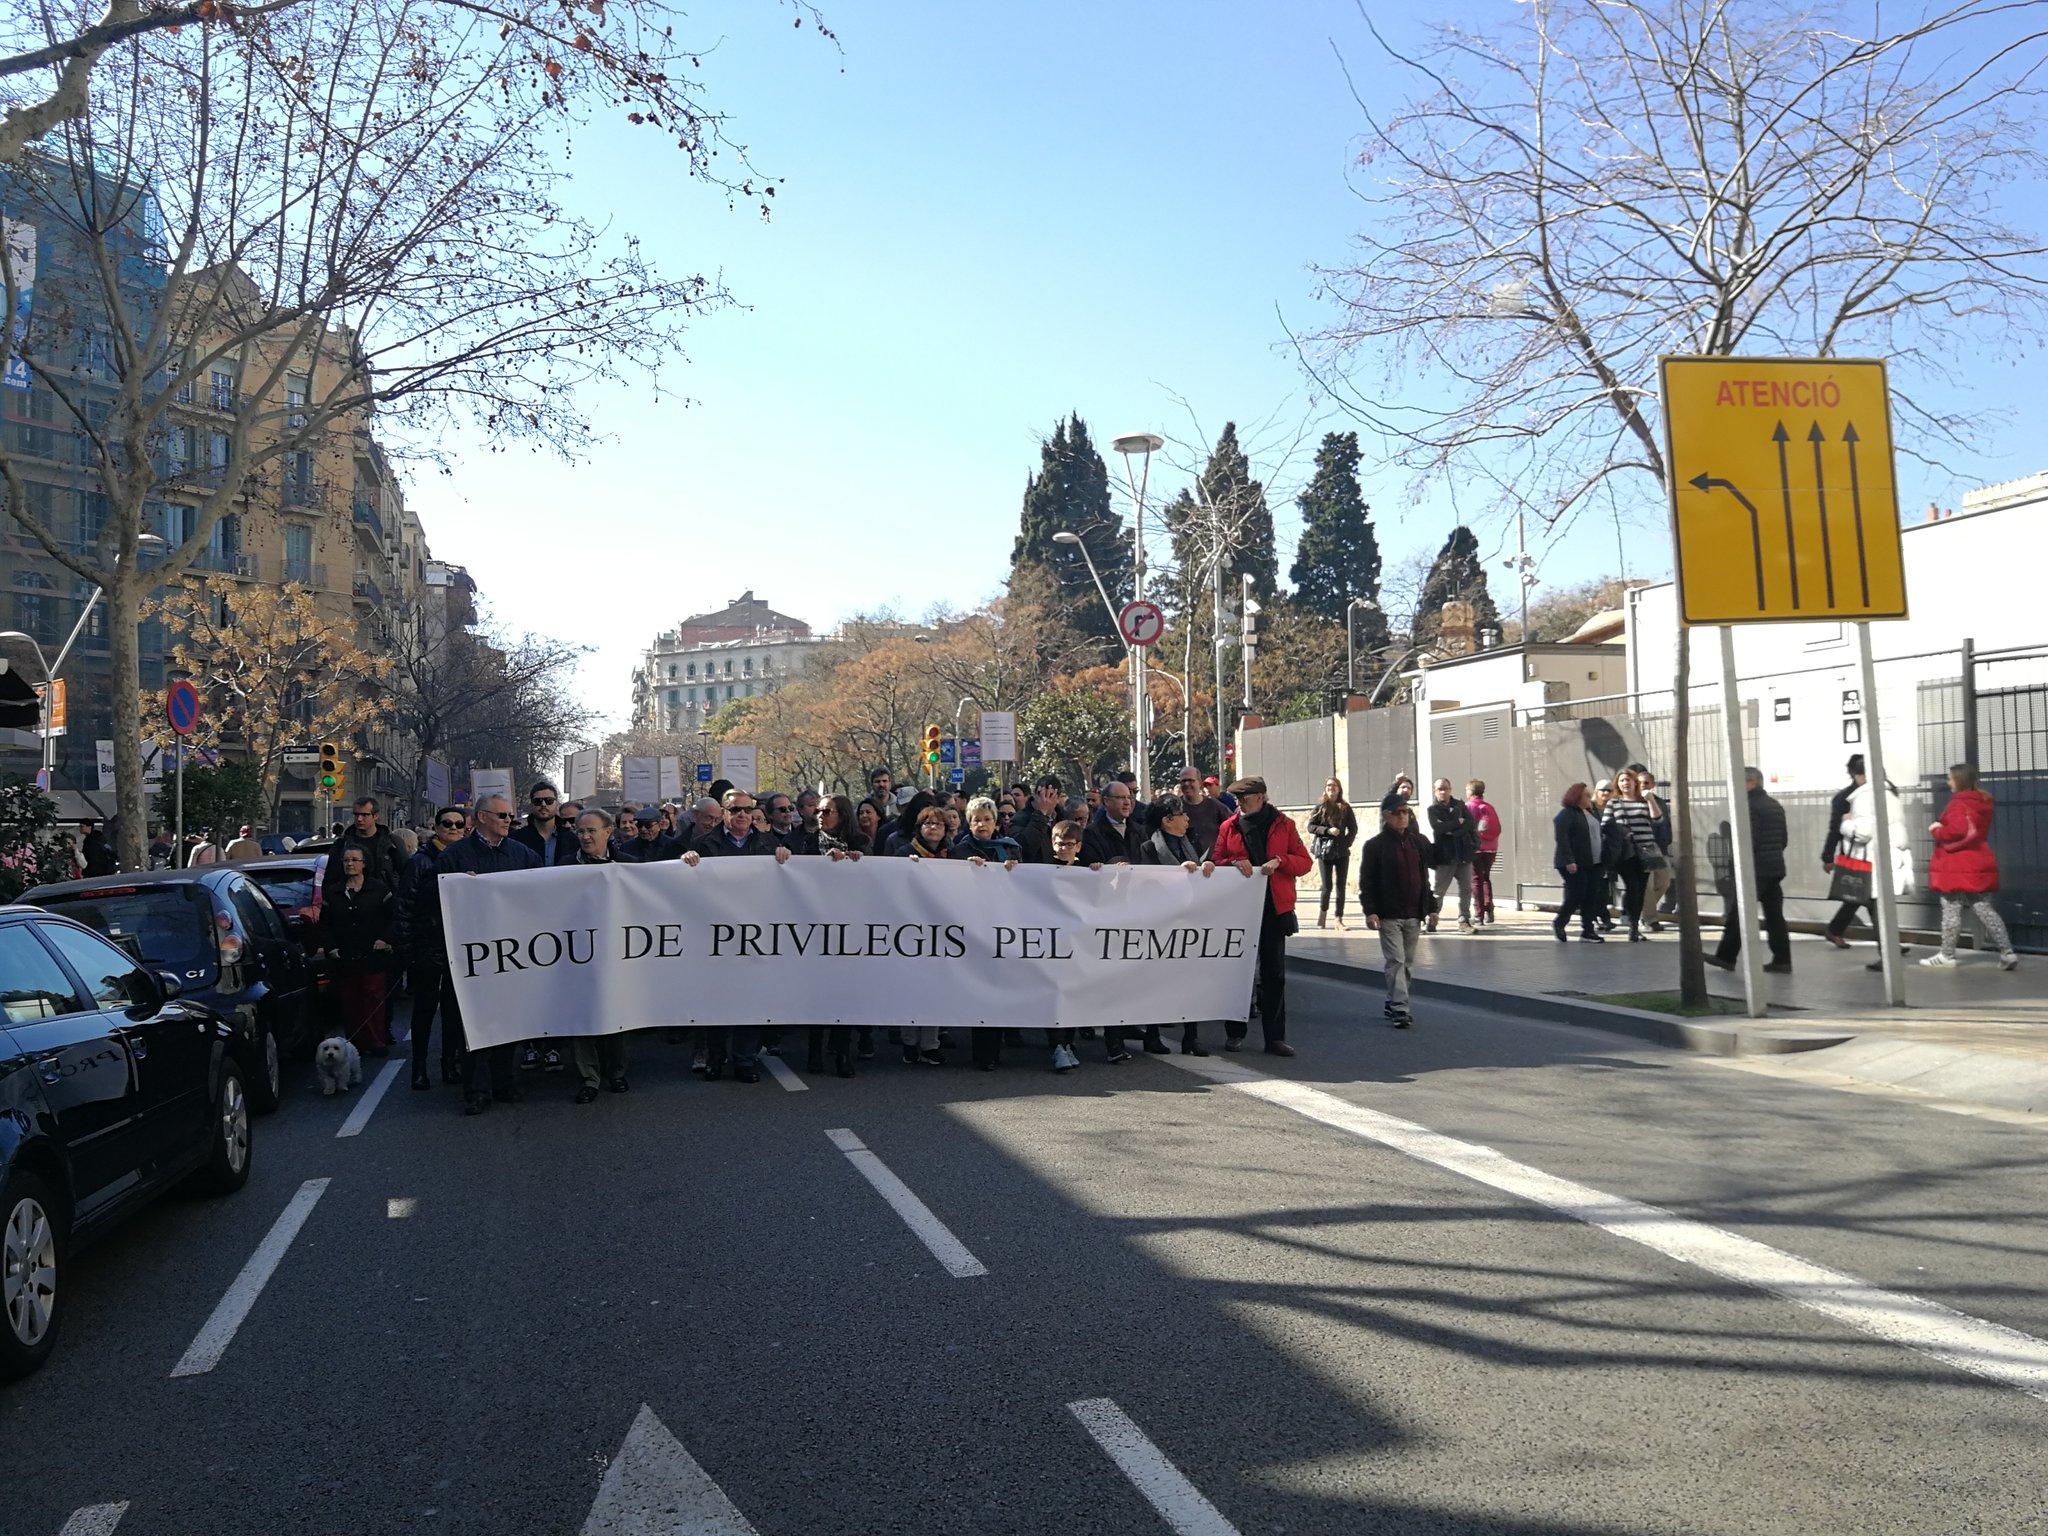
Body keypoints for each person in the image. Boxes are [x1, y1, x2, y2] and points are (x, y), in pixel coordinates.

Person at [418, 794, 542, 1116]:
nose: (508, 820)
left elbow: (540, 897)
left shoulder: (523, 855)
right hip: (472, 956)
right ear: (482, 817)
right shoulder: (455, 857)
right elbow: (430, 898)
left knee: (510, 1020)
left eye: (510, 815)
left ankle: (505, 1081)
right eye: (502, 815)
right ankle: (476, 1089)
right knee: (474, 1023)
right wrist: (458, 887)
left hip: (514, 953)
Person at [693, 789, 790, 1081]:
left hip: (756, 932)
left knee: (752, 997)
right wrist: (687, 862)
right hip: (716, 934)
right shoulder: (703, 845)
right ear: (724, 813)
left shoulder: (769, 844)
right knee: (718, 998)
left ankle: (745, 1060)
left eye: (747, 810)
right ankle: (715, 1057)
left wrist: (785, 858)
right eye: (736, 810)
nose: (743, 815)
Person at [1210, 776, 1311, 1057]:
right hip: (1239, 911)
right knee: (1237, 972)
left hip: (1274, 909)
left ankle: (1275, 1038)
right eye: (1237, 799)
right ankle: (1234, 1033)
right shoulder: (1228, 827)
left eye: (1246, 798)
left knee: (1274, 975)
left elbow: (1305, 862)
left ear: (1261, 797)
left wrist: (1281, 862)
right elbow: (1215, 860)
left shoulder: (1284, 825)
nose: (1240, 803)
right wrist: (1232, 862)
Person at [398, 806, 468, 1089]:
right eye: (447, 823)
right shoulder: (420, 862)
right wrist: (407, 950)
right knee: (425, 1010)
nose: (452, 828)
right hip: (427, 945)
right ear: (437, 827)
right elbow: (404, 906)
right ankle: (419, 1068)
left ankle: (449, 1064)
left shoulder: (466, 858)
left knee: (454, 1010)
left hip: (459, 948)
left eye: (458, 824)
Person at [1137, 795, 1212, 1057]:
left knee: (1191, 980)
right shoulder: (1148, 847)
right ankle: (1153, 1034)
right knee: (1158, 981)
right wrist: (1177, 874)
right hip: (1160, 923)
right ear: (1167, 820)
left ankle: (1191, 1036)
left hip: (1189, 921)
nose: (1187, 818)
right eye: (1182, 814)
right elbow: (1148, 881)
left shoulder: (1191, 842)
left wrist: (1208, 868)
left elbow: (1205, 871)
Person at [1923, 763, 2017, 970]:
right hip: (1977, 860)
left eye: (1950, 778)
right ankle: (2007, 952)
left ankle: (1947, 955)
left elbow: (1956, 830)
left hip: (1955, 864)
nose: (1948, 782)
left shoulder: (1958, 804)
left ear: (1959, 780)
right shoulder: (1982, 802)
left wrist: (1937, 830)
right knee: (1984, 909)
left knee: (1951, 909)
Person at [567, 810, 631, 1103]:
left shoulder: (628, 866)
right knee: (582, 1015)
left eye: (591, 831)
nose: (585, 836)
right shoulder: (564, 867)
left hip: (617, 951)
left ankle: (616, 1073)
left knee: (616, 1012)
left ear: (608, 832)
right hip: (578, 952)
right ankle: (588, 1078)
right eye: (580, 831)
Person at [1708, 768, 1791, 975]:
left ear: (1751, 782)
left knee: (1738, 914)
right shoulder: (1774, 805)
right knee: (1775, 917)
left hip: (1755, 869)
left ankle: (1725, 957)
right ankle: (1782, 959)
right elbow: (1783, 840)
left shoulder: (1748, 806)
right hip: (1774, 868)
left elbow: (1748, 841)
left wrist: (1738, 862)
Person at [1358, 795, 1432, 1027]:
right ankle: (1401, 1008)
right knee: (1396, 960)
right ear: (1387, 815)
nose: (1403, 816)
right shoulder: (1375, 846)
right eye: (1398, 812)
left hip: (1413, 913)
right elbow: (1367, 881)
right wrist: (1370, 911)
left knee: (1407, 962)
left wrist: (1431, 907)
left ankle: (1393, 1001)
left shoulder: (1417, 842)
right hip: (1389, 914)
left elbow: (1424, 878)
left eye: (1406, 812)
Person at [317, 845, 398, 1056]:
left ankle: (376, 1041)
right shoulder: (333, 892)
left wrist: (385, 939)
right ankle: (355, 1044)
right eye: (346, 860)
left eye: (354, 860)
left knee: (373, 998)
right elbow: (324, 925)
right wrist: (331, 947)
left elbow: (394, 918)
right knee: (350, 1001)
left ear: (364, 864)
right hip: (345, 957)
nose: (350, 864)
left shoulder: (378, 889)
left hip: (373, 956)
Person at [893, 805, 956, 1065]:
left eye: (938, 825)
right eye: (928, 824)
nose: (933, 828)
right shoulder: (904, 853)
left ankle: (930, 1044)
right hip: (909, 928)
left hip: (942, 930)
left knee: (936, 990)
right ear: (919, 828)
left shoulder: (952, 855)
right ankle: (909, 1042)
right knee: (910, 988)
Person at [1830, 772, 1913, 967]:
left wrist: (1846, 823)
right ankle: (1889, 950)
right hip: (1891, 858)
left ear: (1861, 776)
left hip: (1873, 861)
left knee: (1877, 908)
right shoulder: (1891, 794)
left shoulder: (1866, 796)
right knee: (1879, 907)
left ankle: (1887, 955)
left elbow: (1863, 833)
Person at [1601, 768, 1664, 942]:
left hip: (1646, 852)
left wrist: (1650, 799)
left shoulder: (1644, 801)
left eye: (1628, 780)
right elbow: (1605, 826)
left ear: (1635, 782)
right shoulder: (1614, 803)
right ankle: (1631, 923)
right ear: (1618, 784)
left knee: (1641, 890)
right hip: (1625, 852)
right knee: (1632, 887)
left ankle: (1634, 926)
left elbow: (1658, 820)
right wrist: (1620, 832)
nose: (1625, 783)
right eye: (1622, 781)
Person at [1822, 754, 1872, 947]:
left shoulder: (1845, 796)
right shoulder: (1847, 798)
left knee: (1860, 897)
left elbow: (1833, 830)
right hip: (1856, 853)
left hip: (1861, 852)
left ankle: (1834, 930)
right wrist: (1828, 857)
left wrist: (1827, 856)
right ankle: (1889, 943)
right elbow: (1836, 829)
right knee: (1867, 896)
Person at [1423, 778, 1479, 934]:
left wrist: (1453, 830)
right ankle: (1432, 919)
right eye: (1439, 789)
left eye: (1445, 788)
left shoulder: (1460, 805)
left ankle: (1464, 920)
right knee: (1439, 891)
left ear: (1450, 789)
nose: (1443, 792)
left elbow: (1470, 823)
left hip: (1463, 855)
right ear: (1435, 791)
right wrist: (1457, 823)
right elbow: (1438, 828)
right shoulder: (1432, 809)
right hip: (1445, 856)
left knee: (1466, 889)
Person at [324, 796, 408, 898]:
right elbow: (330, 879)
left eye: (364, 815)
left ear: (375, 816)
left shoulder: (392, 843)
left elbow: (406, 876)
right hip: (350, 904)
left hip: (384, 905)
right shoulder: (342, 844)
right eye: (356, 814)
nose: (359, 819)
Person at [1551, 783, 1603, 943]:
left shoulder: (1590, 813)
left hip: (1593, 862)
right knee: (1577, 893)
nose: (1590, 798)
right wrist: (1569, 860)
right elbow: (1562, 839)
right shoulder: (1566, 815)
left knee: (1591, 895)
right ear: (1577, 797)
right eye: (1587, 795)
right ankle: (1560, 922)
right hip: (1574, 863)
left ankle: (1588, 930)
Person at [1306, 777, 1359, 929]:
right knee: (1327, 886)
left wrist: (1346, 843)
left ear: (1339, 788)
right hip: (1324, 851)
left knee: (1341, 886)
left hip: (1341, 852)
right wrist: (1327, 830)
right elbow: (1311, 826)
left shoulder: (1345, 807)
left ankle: (1338, 919)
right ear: (1325, 788)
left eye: (1334, 785)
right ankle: (1322, 915)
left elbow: (1353, 828)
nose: (1331, 788)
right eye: (1329, 785)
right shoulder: (1321, 807)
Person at [511, 780, 576, 865]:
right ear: (531, 805)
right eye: (538, 801)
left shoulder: (571, 839)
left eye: (549, 800)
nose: (543, 804)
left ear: (557, 804)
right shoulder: (516, 839)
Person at [1082, 779, 1145, 866]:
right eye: (1121, 798)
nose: (1127, 802)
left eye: (1129, 797)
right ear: (1106, 801)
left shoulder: (1139, 831)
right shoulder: (1091, 833)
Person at [1465, 780, 1501, 925]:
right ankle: (1489, 911)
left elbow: (1466, 828)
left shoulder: (1468, 807)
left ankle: (1478, 914)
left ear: (1470, 791)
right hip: (1491, 848)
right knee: (1486, 878)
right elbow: (1498, 828)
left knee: (1476, 880)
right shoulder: (1489, 807)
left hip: (1476, 849)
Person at [1009, 776, 1062, 864]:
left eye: (1050, 795)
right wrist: (1041, 814)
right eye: (1040, 794)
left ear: (1058, 799)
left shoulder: (1064, 818)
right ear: (1034, 794)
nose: (1044, 799)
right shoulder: (1019, 818)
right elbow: (1022, 849)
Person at [615, 805, 682, 863]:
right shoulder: (626, 847)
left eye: (648, 825)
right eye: (640, 825)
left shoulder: (673, 846)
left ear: (659, 826)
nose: (643, 829)